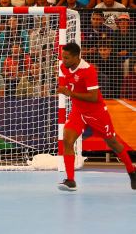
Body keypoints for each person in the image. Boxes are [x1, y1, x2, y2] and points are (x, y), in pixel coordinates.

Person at [57, 42, 135, 191]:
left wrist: (70, 93)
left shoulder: (88, 70)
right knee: (67, 140)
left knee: (112, 143)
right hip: (78, 111)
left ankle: (132, 172)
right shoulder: (64, 67)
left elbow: (93, 97)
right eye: (62, 57)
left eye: (66, 57)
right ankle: (70, 180)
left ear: (76, 57)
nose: (63, 60)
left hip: (96, 112)